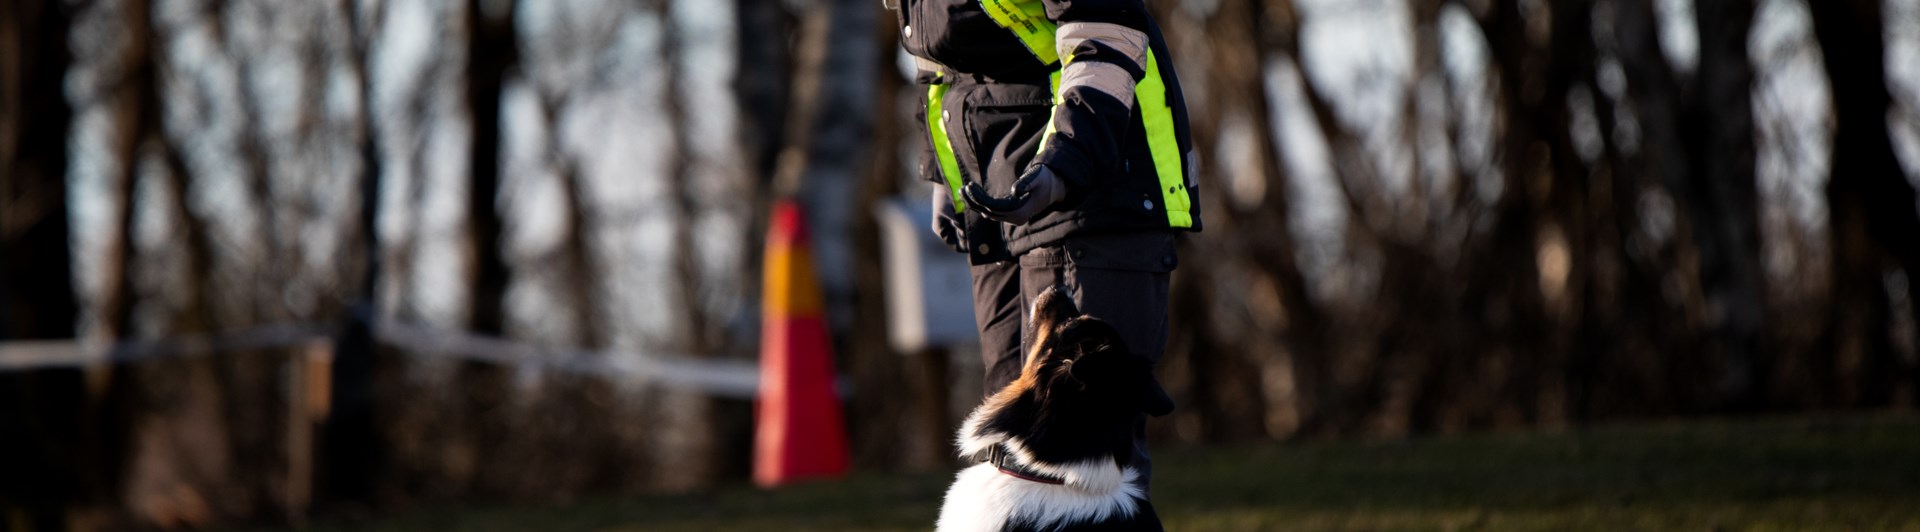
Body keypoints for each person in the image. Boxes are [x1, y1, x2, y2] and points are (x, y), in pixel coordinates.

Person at [894, 0, 1200, 488]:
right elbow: (934, 61)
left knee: (1084, 466)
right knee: (1006, 462)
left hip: (1096, 184)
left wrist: (1063, 165)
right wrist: (941, 172)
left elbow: (1106, 32)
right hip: (996, 196)